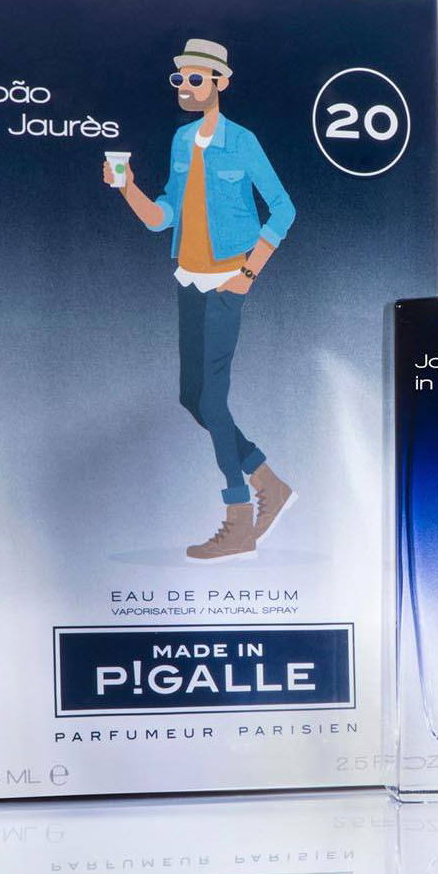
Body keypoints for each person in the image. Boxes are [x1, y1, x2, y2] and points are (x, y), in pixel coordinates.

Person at [104, 39, 296, 560]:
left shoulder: (243, 142)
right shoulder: (181, 139)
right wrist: (128, 189)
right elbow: (162, 217)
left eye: (196, 79)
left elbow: (283, 209)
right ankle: (269, 483)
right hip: (189, 279)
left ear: (220, 83)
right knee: (192, 398)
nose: (186, 87)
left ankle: (239, 520)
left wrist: (249, 273)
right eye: (180, 79)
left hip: (226, 281)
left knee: (212, 399)